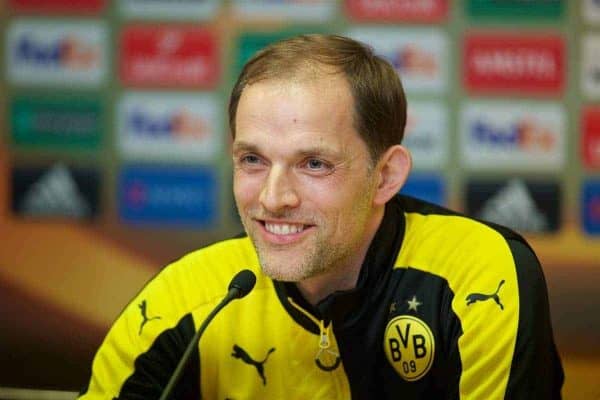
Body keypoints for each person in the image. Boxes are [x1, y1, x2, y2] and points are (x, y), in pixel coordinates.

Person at [79, 34, 563, 399]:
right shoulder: (186, 300)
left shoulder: (478, 275)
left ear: (386, 175)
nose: (273, 198)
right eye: (253, 160)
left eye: (314, 164)